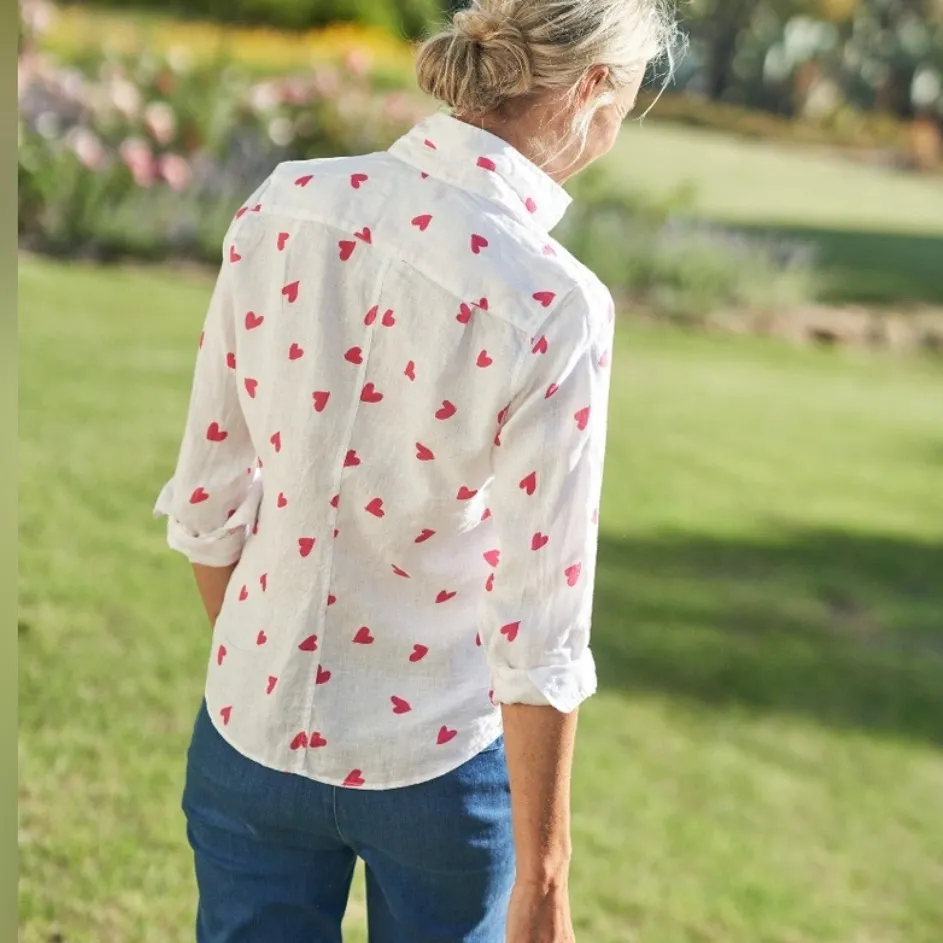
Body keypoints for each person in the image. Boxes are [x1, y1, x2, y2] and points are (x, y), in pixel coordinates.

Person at [154, 1, 678, 940]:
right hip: (438, 766)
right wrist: (545, 879)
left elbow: (205, 503)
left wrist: (273, 680)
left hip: (247, 728)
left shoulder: (284, 201)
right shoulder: (552, 303)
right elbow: (538, 625)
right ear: (595, 90)